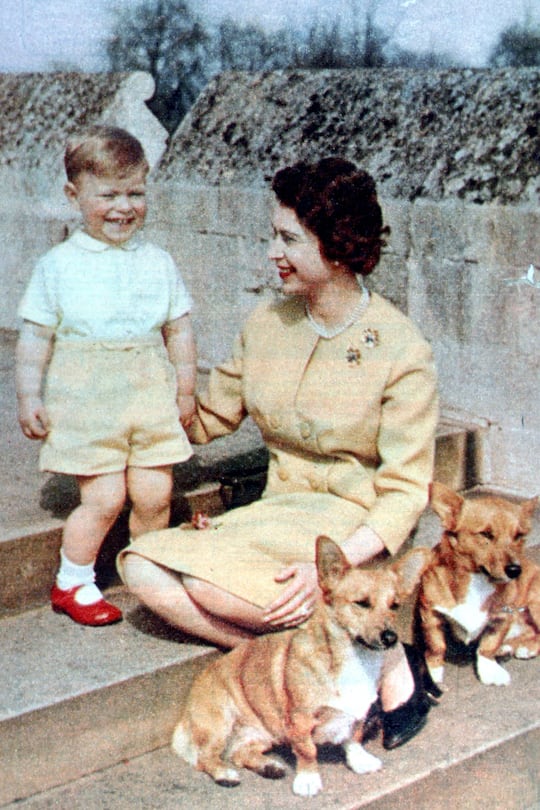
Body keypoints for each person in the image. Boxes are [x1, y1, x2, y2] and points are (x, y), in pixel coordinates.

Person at [119, 157, 439, 747]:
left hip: (346, 526)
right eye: (274, 235)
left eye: (288, 238)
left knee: (207, 590)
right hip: (275, 510)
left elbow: (405, 490)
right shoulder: (268, 321)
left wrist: (341, 558)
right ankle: (313, 664)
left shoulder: (400, 349)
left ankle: (390, 670)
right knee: (141, 565)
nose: (272, 251)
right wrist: (132, 403)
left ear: (338, 246)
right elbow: (211, 416)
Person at [16, 125, 196, 627]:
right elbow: (35, 339)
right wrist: (29, 393)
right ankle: (73, 581)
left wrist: (185, 389)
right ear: (74, 195)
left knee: (156, 492)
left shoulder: (157, 262)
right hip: (87, 399)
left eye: (135, 193)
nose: (123, 207)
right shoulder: (58, 266)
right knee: (104, 497)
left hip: (148, 396)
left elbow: (179, 331)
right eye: (108, 195)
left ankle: (151, 571)